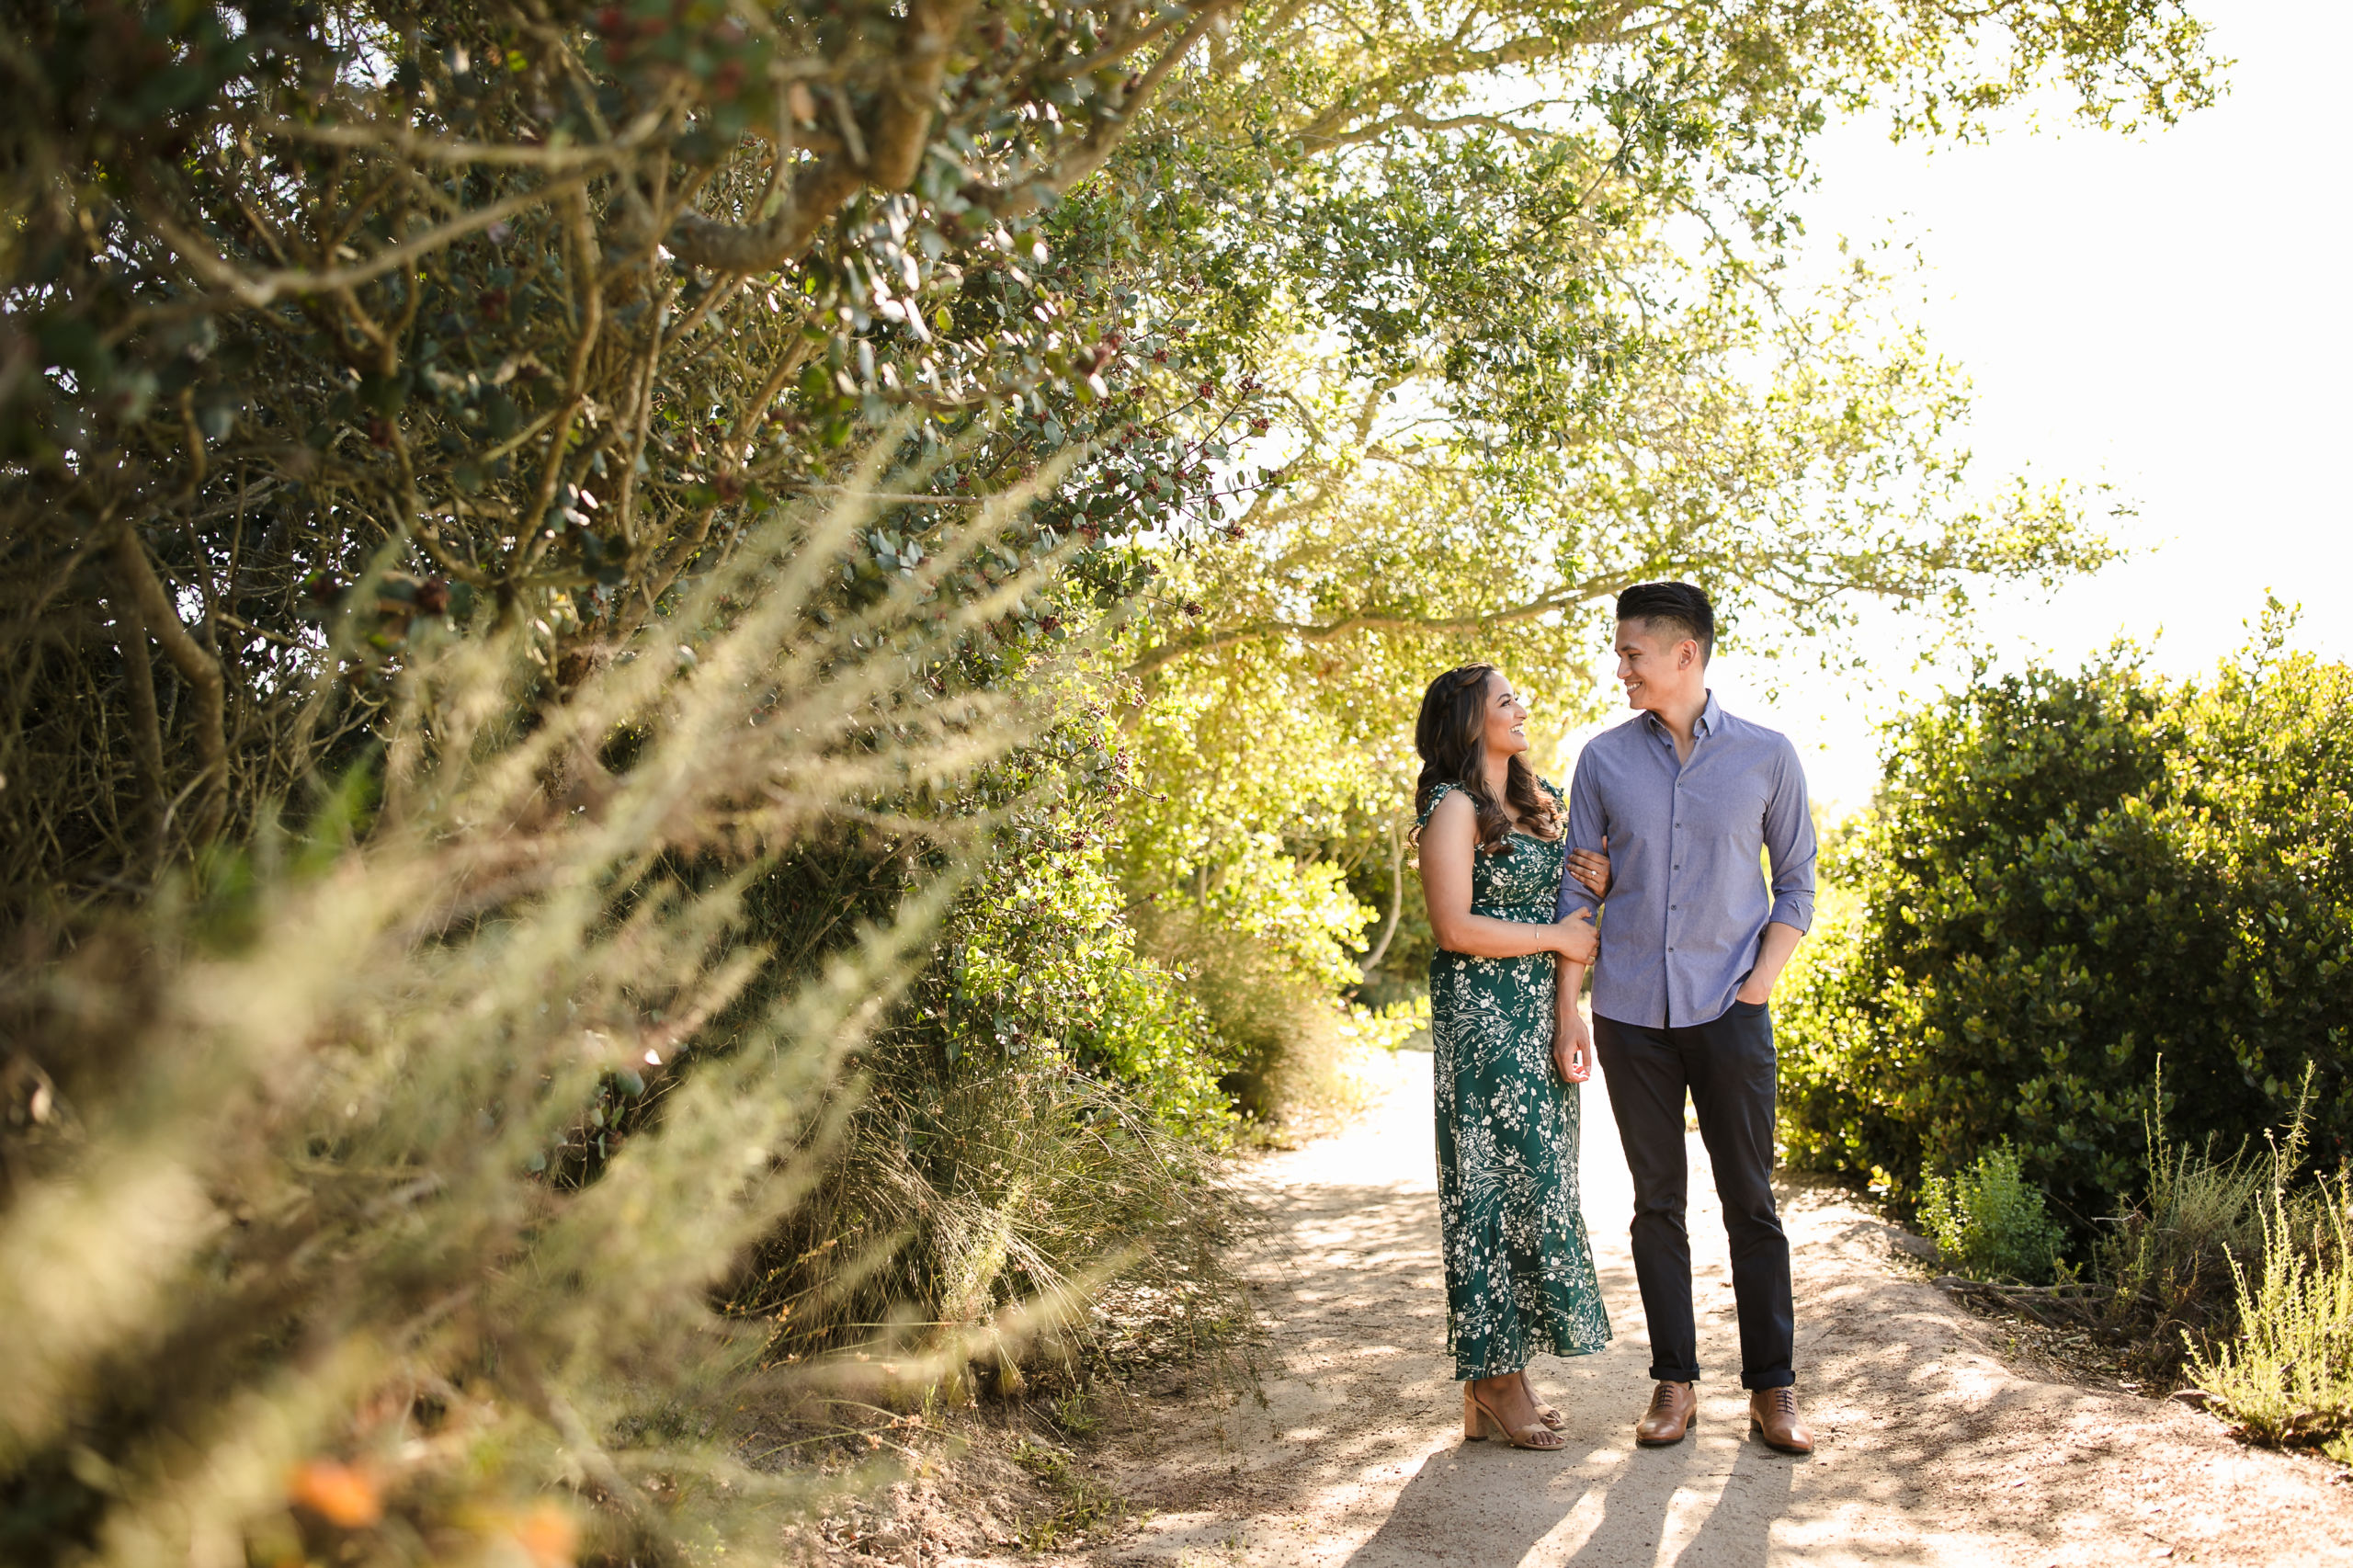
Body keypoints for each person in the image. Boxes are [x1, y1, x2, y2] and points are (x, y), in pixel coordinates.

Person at [1553, 582, 1819, 1456]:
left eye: (1632, 652)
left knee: (1752, 1202)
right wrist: (1573, 1009)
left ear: (1685, 655)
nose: (1621, 668)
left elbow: (1798, 884)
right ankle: (1675, 1385)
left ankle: (1772, 1391)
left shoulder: (1766, 756)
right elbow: (1576, 896)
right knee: (1655, 1203)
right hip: (1631, 1011)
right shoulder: (1601, 761)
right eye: (1620, 653)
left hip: (1730, 1010)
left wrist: (1756, 988)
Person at [1413, 662, 1612, 1453]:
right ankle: (1493, 1379)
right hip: (1483, 1027)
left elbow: (1575, 908)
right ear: (1469, 722)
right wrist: (1557, 936)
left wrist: (1592, 882)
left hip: (1538, 1019)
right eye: (1505, 701)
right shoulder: (1453, 806)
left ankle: (1505, 1376)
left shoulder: (1541, 803)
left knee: (1541, 1187)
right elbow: (1453, 928)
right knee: (1489, 1193)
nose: (1521, 708)